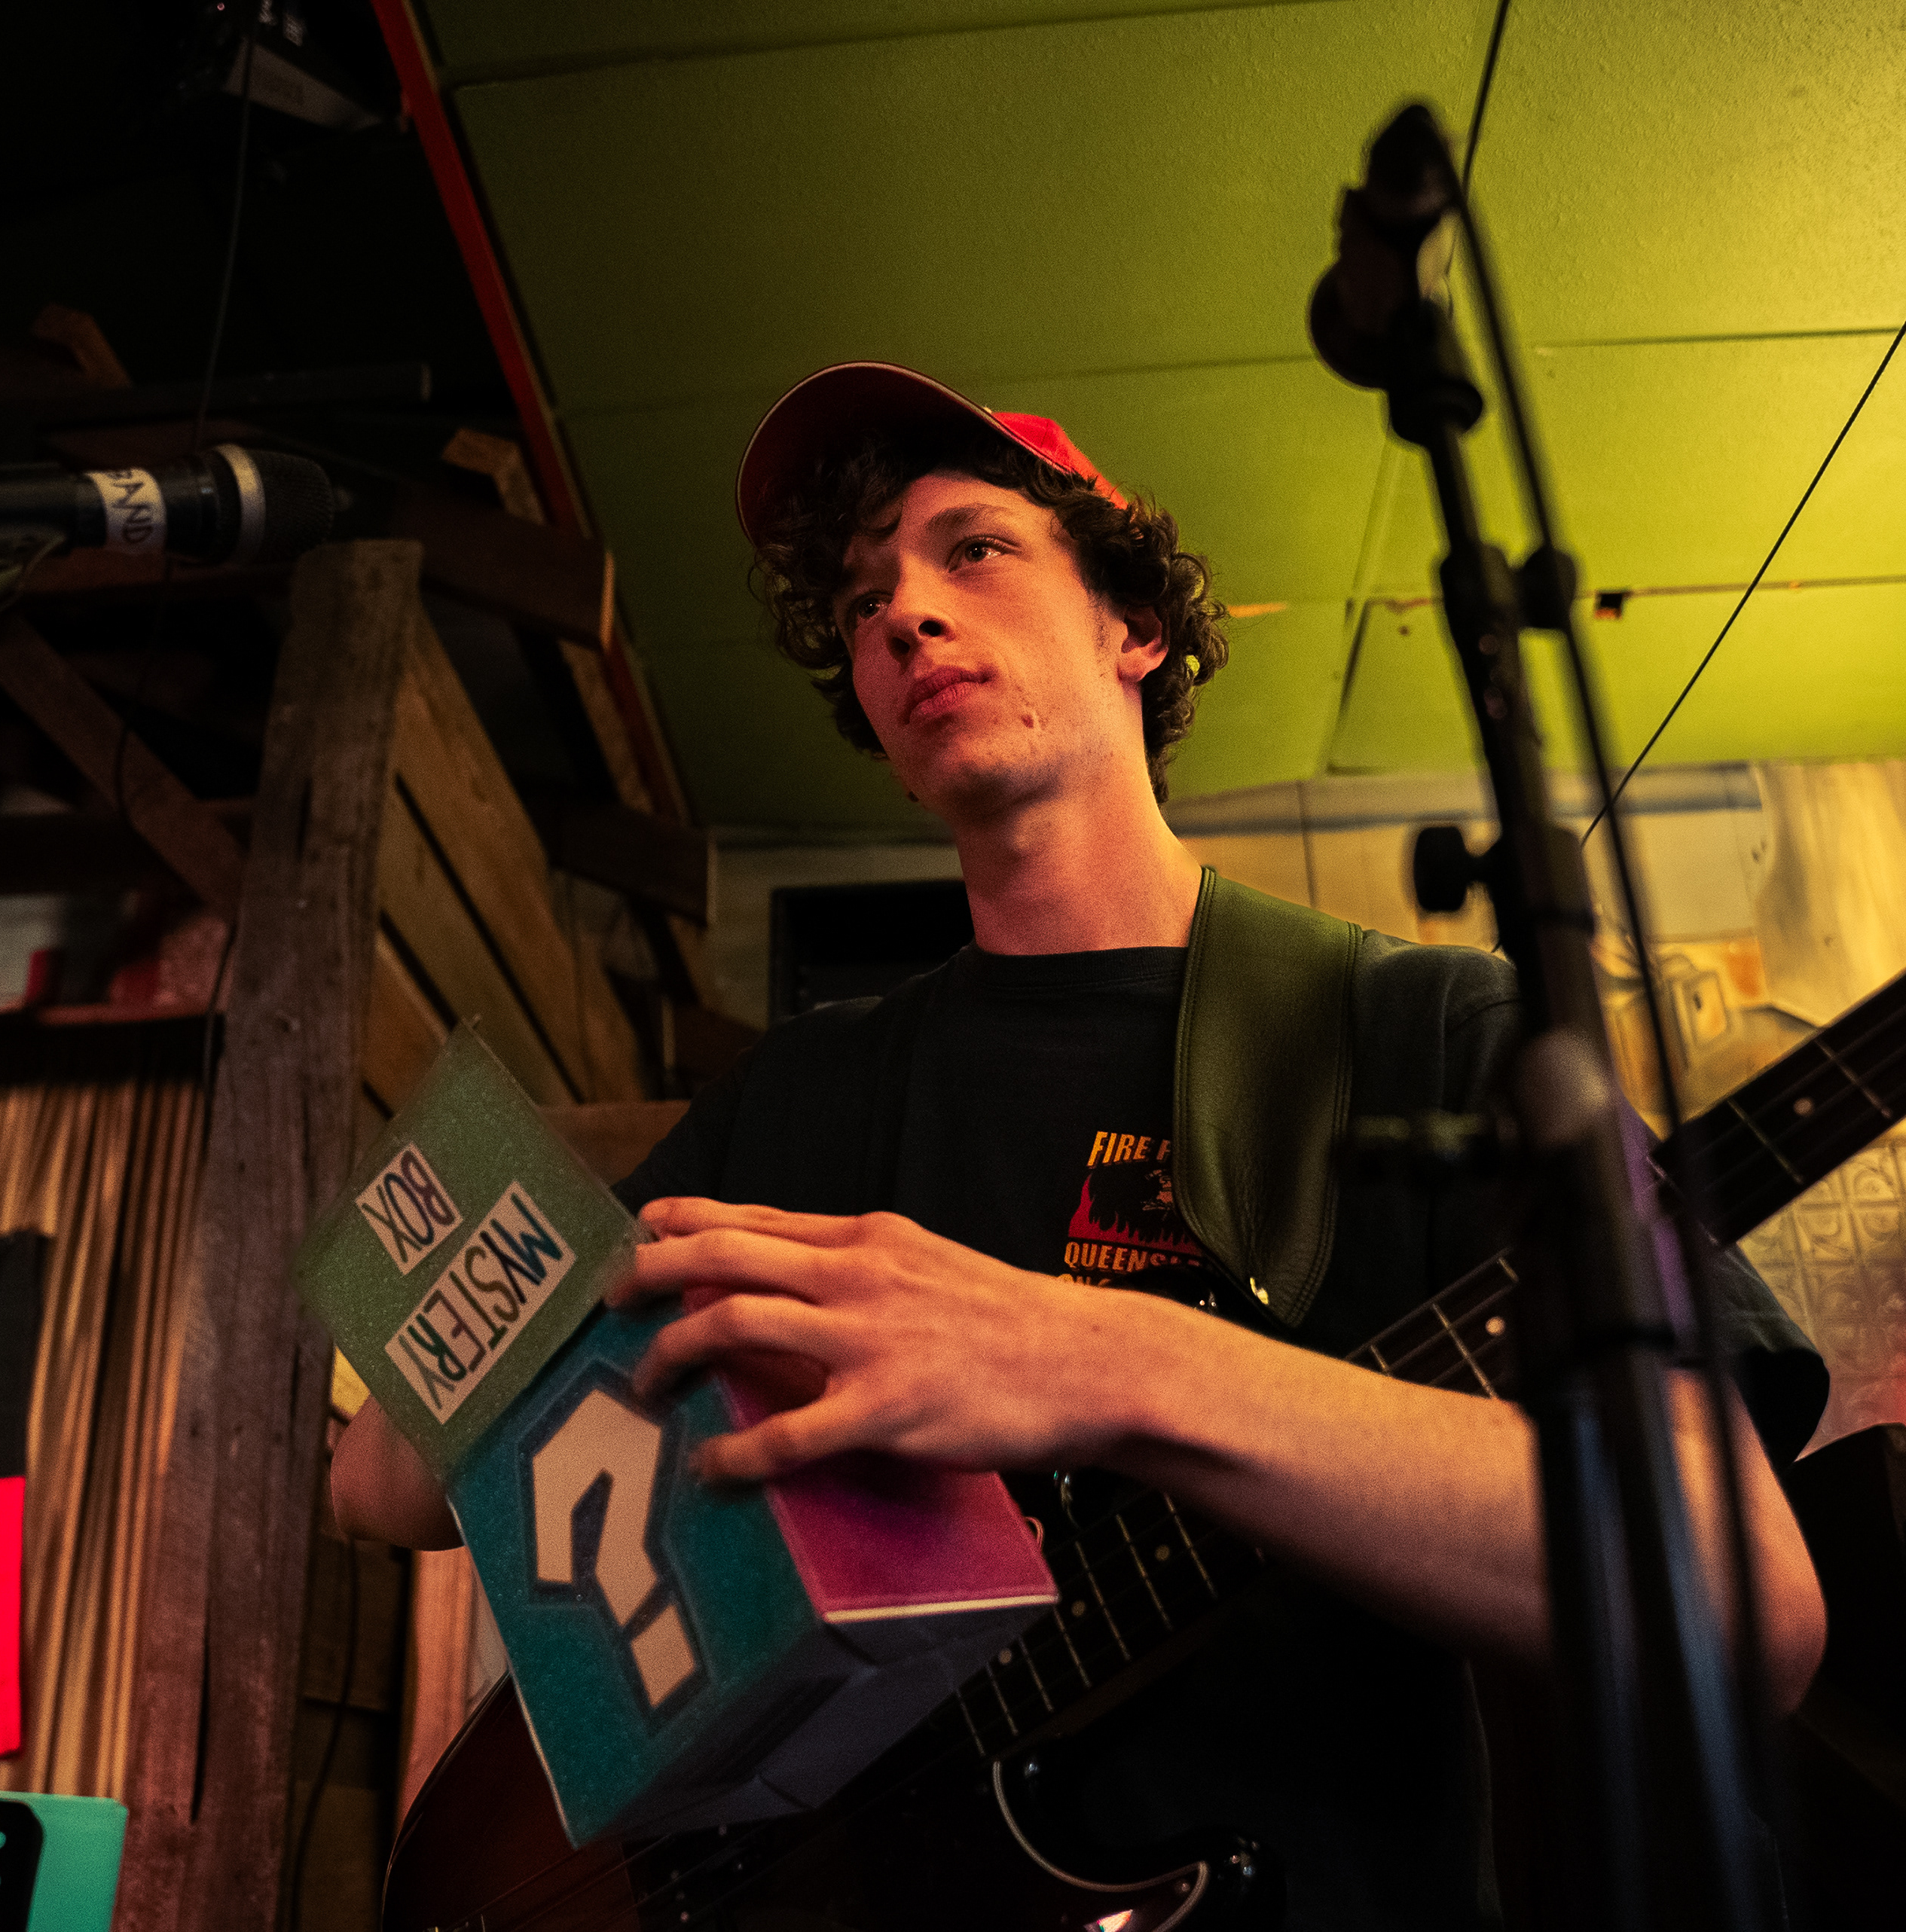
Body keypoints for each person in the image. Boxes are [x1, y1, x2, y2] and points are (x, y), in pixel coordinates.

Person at [334, 362, 1828, 1924]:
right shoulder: (805, 1094)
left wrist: (1111, 1362)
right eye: (863, 601)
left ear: (1137, 625)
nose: (904, 616)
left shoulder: (1431, 1031)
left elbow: (1747, 1602)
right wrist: (463, 1379)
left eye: (973, 549)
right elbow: (393, 1479)